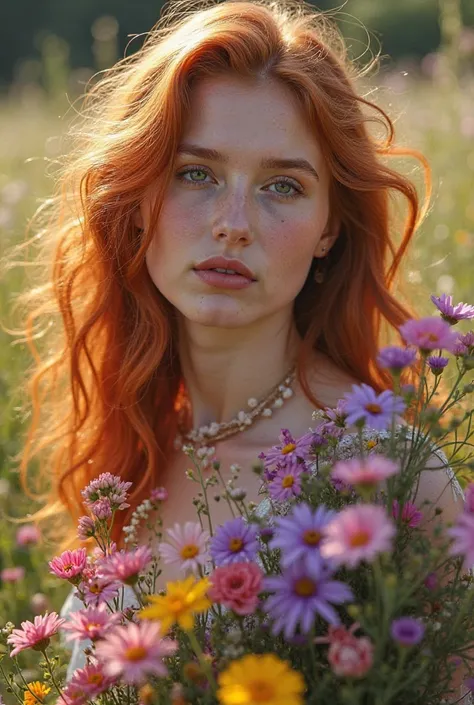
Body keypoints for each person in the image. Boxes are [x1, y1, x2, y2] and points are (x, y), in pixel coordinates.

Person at [8, 0, 469, 696]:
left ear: (328, 229)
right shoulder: (133, 441)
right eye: (197, 172)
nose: (232, 224)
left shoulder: (392, 477)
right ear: (139, 192)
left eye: (283, 186)